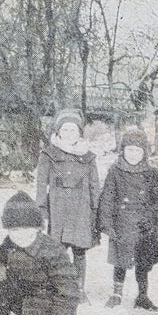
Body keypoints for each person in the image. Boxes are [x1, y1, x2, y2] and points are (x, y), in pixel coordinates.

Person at [97, 128, 158, 310]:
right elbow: (107, 197)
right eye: (129, 150)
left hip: (144, 224)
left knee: (143, 262)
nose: (133, 154)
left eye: (137, 151)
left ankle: (143, 295)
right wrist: (106, 223)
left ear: (144, 152)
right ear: (122, 151)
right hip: (122, 222)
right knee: (120, 260)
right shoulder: (115, 171)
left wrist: (151, 216)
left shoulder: (151, 173)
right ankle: (116, 293)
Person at [35, 110, 101, 302]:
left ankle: (79, 289)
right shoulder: (49, 154)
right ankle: (60, 287)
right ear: (58, 131)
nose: (70, 133)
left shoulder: (88, 156)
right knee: (58, 250)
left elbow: (94, 184)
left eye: (74, 130)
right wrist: (41, 208)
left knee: (79, 251)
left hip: (81, 209)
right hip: (58, 208)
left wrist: (95, 208)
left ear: (80, 132)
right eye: (66, 129)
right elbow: (41, 183)